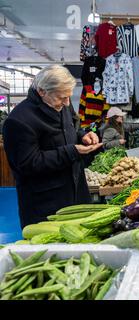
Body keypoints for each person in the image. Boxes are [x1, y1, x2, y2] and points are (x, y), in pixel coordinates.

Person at [2, 65, 103, 228]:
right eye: (62, 98)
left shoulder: (62, 103)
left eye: (68, 97)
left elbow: (73, 125)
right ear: (42, 91)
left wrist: (83, 135)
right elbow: (28, 164)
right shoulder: (18, 121)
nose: (67, 103)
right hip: (46, 207)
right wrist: (72, 151)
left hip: (78, 197)